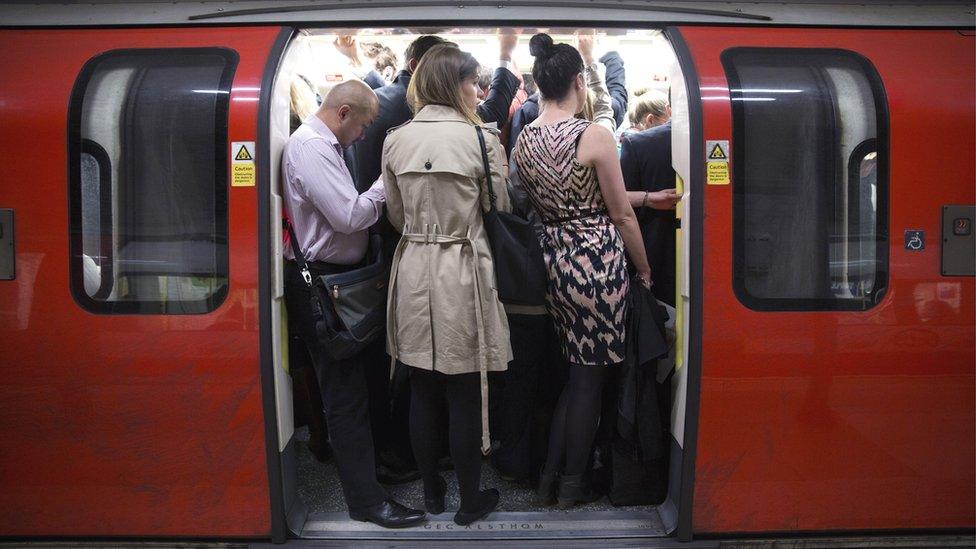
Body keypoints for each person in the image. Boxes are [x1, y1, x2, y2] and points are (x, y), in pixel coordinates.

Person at [511, 33, 652, 509]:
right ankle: (571, 484)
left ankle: (552, 479)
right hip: (597, 265)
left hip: (554, 262)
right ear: (578, 80)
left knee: (576, 376)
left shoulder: (525, 139)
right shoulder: (594, 133)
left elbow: (536, 201)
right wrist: (645, 270)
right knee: (589, 380)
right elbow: (619, 214)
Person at [281, 79, 425, 528]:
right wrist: (387, 182)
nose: (363, 135)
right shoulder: (311, 149)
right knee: (344, 398)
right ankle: (365, 502)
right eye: (361, 125)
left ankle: (372, 475)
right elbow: (349, 216)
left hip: (339, 279)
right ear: (342, 112)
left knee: (359, 387)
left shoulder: (324, 144)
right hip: (324, 284)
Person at [382, 44, 512, 526]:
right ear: (453, 85)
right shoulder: (482, 139)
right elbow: (498, 205)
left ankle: (432, 492)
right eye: (473, 83)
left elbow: (395, 214)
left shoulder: (396, 138)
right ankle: (469, 499)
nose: (479, 92)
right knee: (462, 387)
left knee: (421, 385)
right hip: (463, 266)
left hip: (414, 264)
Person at [620, 91, 681, 306]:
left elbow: (619, 203)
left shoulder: (638, 145)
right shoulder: (735, 138)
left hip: (653, 254)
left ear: (669, 108)